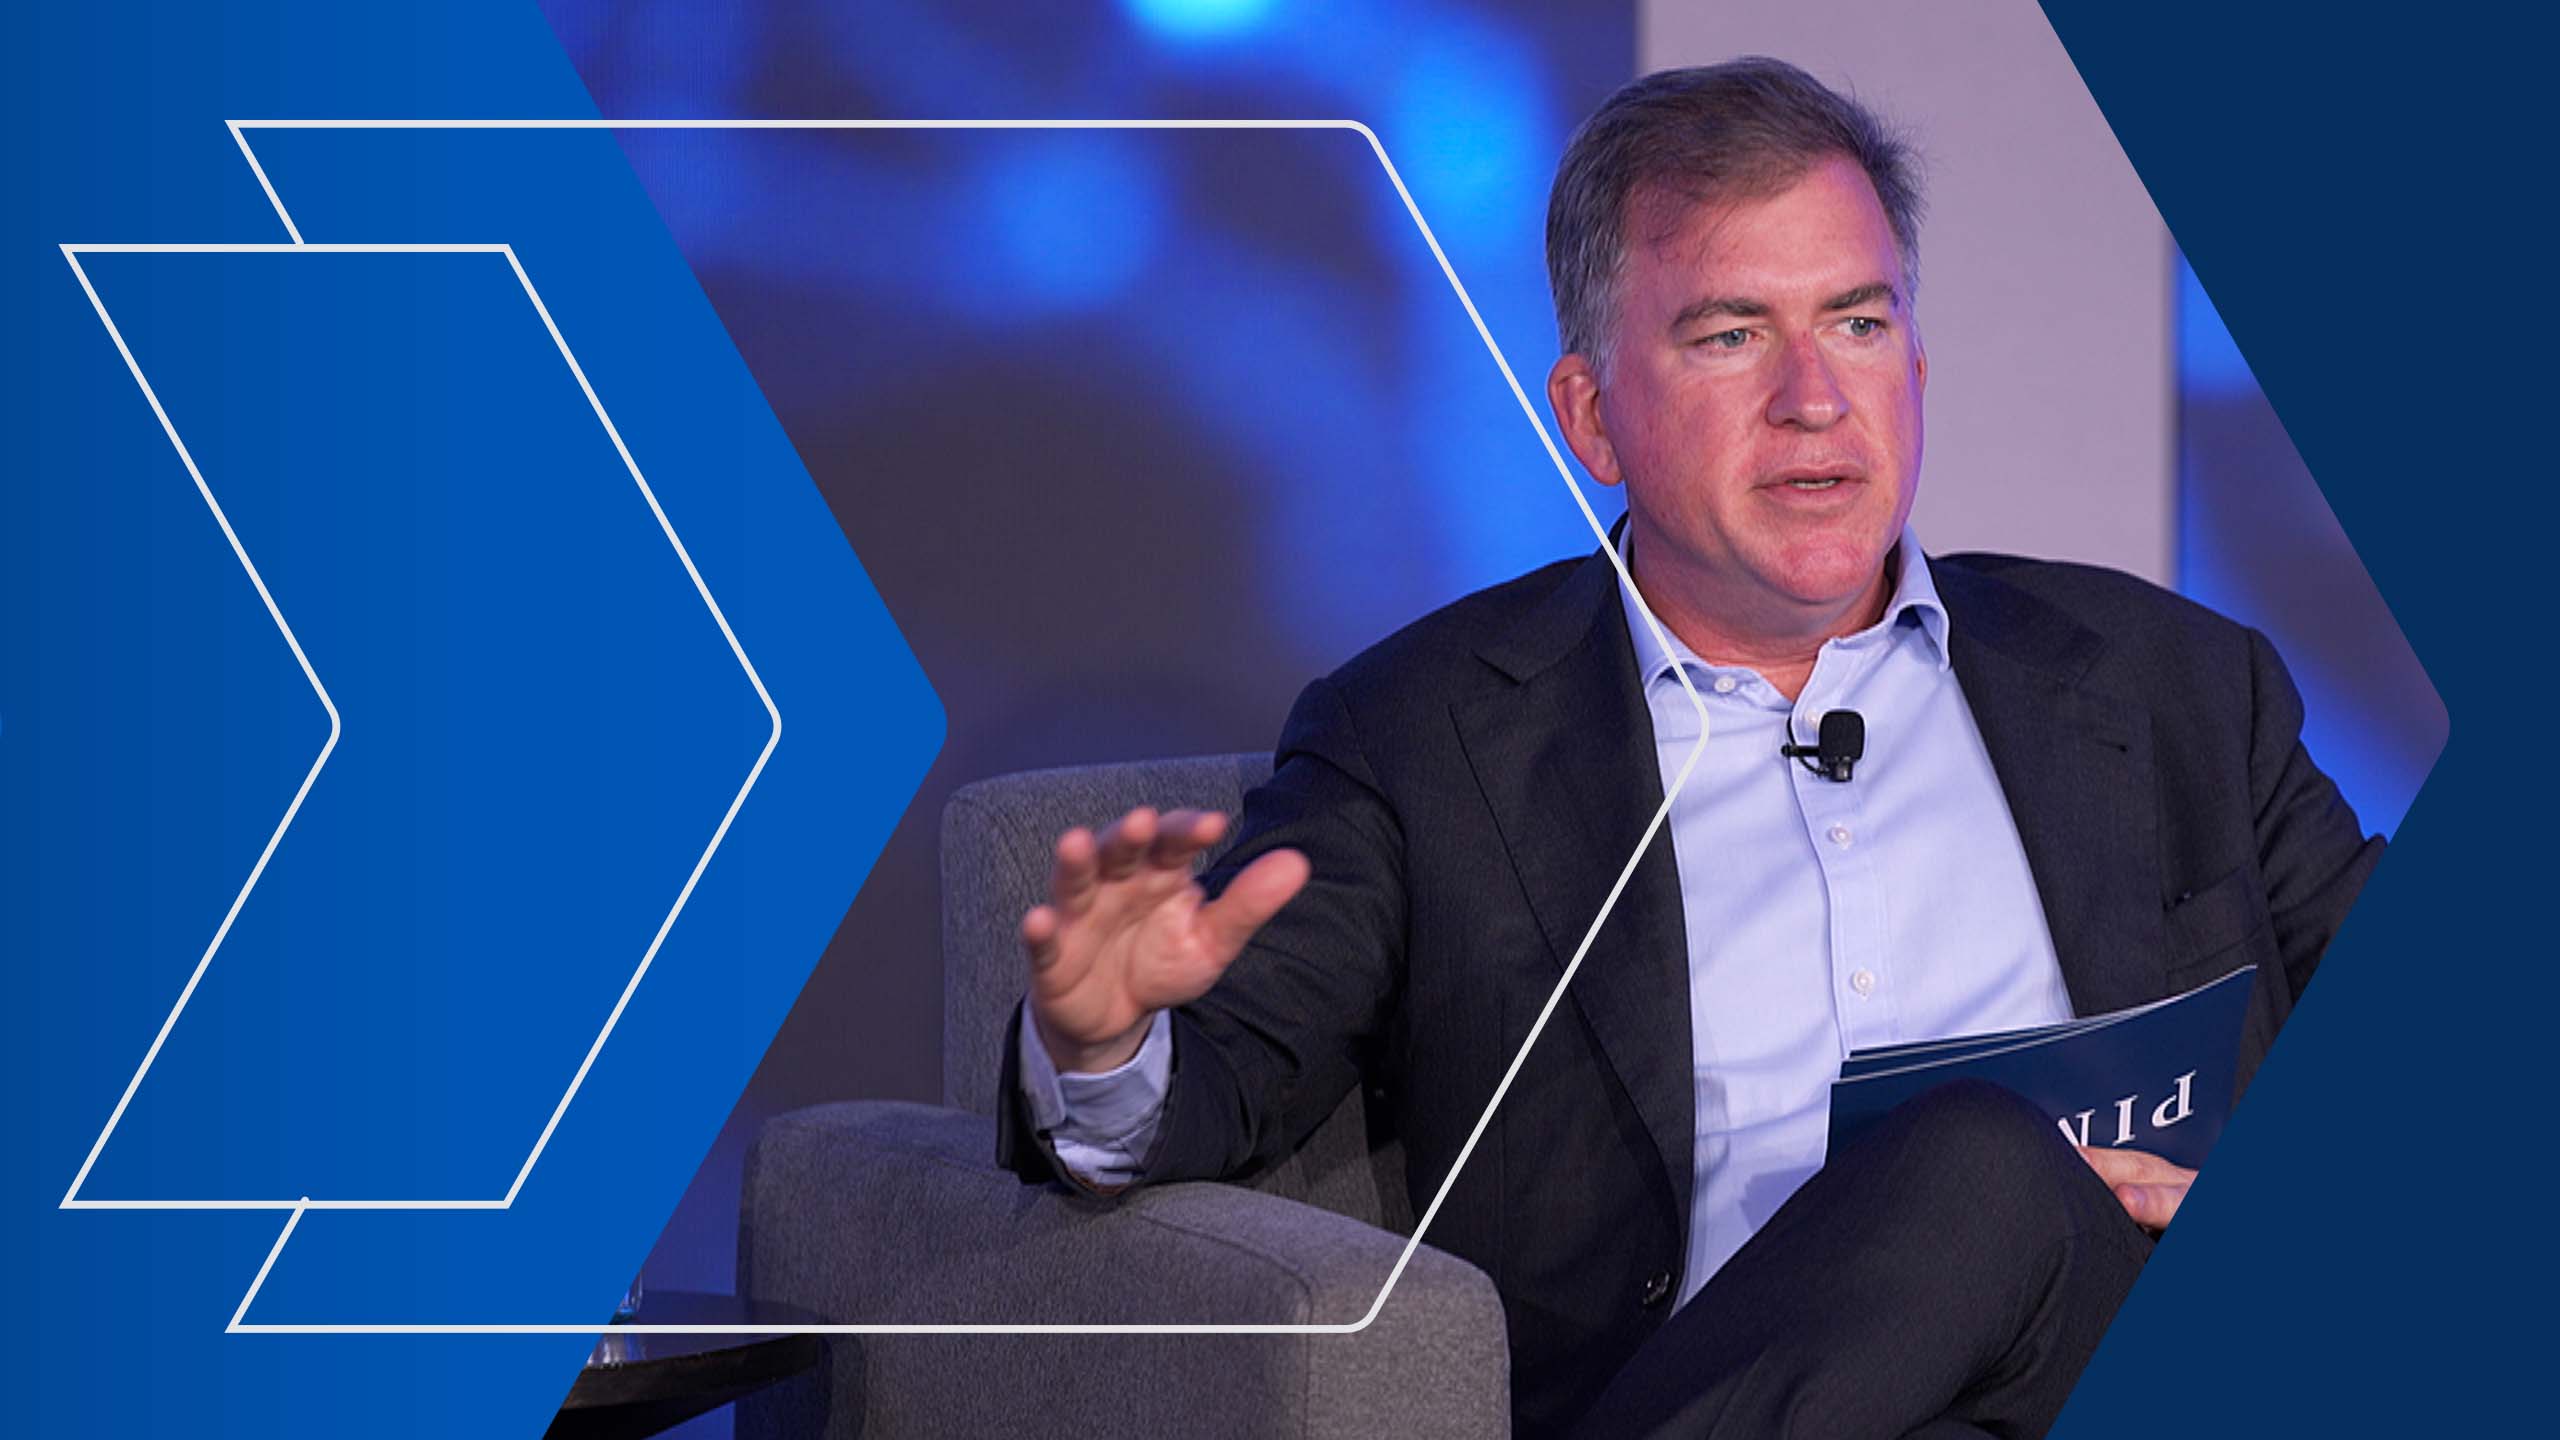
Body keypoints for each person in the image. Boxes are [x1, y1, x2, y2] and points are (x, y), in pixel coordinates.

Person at [997, 58, 2380, 1440]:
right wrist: (1105, 1042)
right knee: (1984, 1161)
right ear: (1592, 416)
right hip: (1702, 1389)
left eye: (1856, 322)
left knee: (1998, 1173)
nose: (1813, 398)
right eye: (1730, 336)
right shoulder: (1431, 740)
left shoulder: (2172, 684)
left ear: (1914, 368)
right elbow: (1214, 1089)